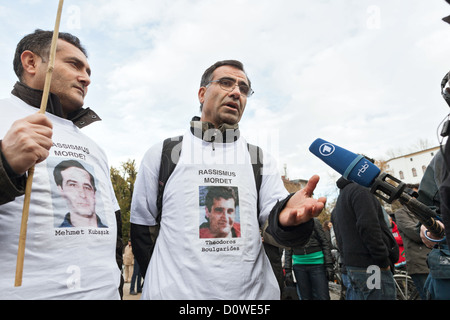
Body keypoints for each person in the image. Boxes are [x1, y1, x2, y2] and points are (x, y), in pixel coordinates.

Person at [130, 59, 326, 300]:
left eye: (243, 89)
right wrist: (164, 281)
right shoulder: (163, 153)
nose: (236, 92)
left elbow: (273, 226)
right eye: (226, 83)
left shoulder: (259, 159)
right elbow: (142, 229)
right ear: (202, 93)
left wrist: (286, 220)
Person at [0, 30, 122, 299]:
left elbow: (113, 227)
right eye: (74, 64)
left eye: (88, 70)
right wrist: (4, 165)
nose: (86, 78)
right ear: (31, 63)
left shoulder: (95, 147)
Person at [331, 174, 399, 300]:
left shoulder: (343, 196)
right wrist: (382, 260)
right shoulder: (360, 191)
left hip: (355, 266)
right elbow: (368, 227)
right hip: (372, 266)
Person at [393, 184, 430, 300]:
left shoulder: (425, 211)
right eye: (415, 195)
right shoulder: (401, 213)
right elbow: (416, 233)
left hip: (433, 262)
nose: (419, 198)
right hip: (420, 264)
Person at [287, 218, 333, 300]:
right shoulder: (290, 224)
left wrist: (329, 265)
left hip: (317, 264)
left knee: (323, 297)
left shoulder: (314, 222)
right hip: (299, 266)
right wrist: (288, 270)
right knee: (305, 298)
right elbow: (288, 248)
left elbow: (325, 243)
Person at [53, 159, 108, 228]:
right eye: (73, 185)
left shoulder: (113, 234)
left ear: (94, 193)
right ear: (61, 190)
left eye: (87, 187)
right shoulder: (53, 237)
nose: (83, 195)